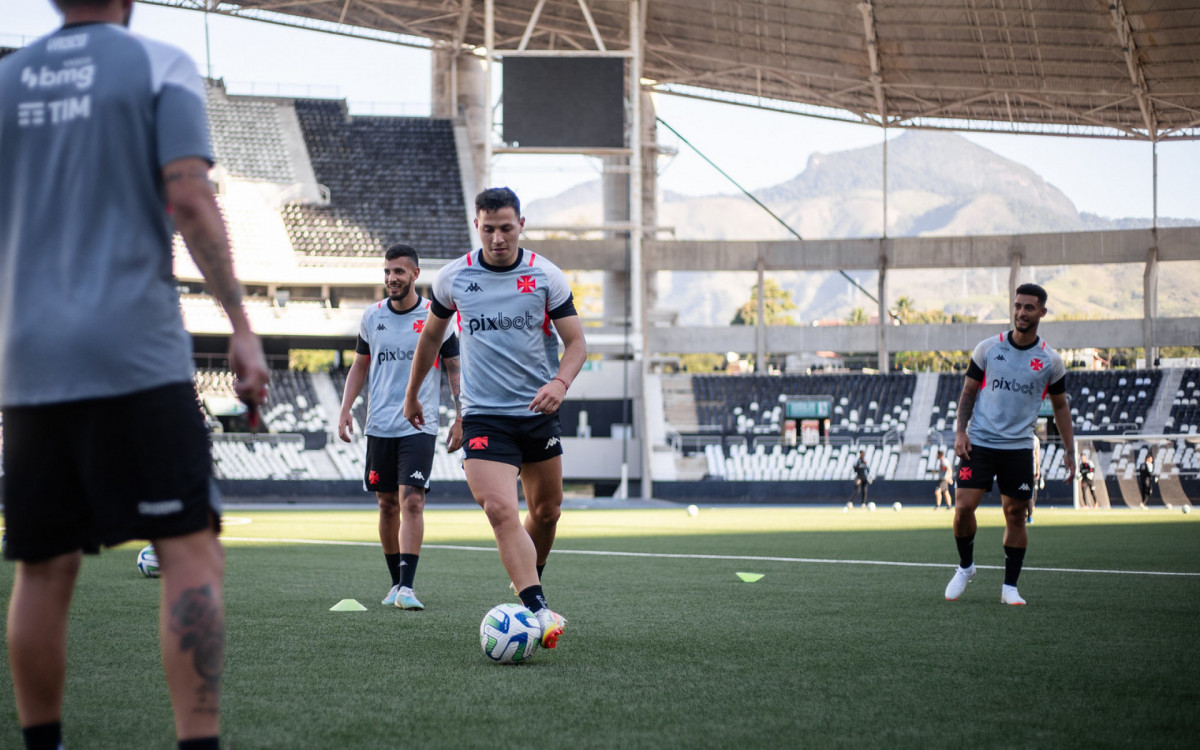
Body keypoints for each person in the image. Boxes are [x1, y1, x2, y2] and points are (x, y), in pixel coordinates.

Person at [0, 2, 270, 749]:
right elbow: (188, 197)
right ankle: (197, 742)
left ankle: (42, 744)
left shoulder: (7, 80)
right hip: (134, 351)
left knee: (42, 569)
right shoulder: (159, 64)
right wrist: (241, 326)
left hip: (28, 362)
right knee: (188, 548)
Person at [403, 187, 586, 649]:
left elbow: (577, 345)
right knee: (501, 509)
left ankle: (527, 577)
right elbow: (429, 340)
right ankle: (537, 608)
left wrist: (559, 384)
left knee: (546, 513)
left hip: (537, 412)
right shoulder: (454, 278)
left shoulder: (546, 276)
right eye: (489, 229)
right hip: (483, 416)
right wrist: (413, 395)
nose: (498, 237)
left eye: (506, 227)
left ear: (521, 224)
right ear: (477, 227)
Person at [337, 244, 462, 611]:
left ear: (415, 275)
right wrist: (346, 409)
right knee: (387, 504)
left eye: (399, 272)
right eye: (388, 272)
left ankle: (407, 587)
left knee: (412, 499)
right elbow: (360, 366)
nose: (392, 278)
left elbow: (454, 368)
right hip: (379, 425)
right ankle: (395, 583)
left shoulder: (435, 317)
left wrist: (460, 415)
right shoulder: (371, 317)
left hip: (419, 425)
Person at [944, 283, 1075, 606]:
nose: (1021, 312)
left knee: (1015, 515)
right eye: (1017, 306)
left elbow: (1060, 407)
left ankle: (1009, 587)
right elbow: (968, 393)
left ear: (1042, 312)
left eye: (1029, 307)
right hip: (981, 442)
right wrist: (960, 431)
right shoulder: (988, 349)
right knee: (962, 507)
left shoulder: (1050, 361)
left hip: (1018, 447)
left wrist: (1070, 450)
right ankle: (966, 567)